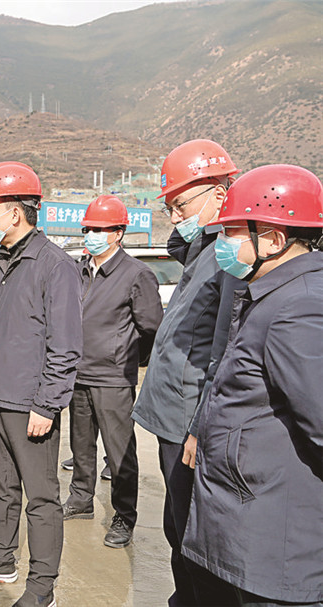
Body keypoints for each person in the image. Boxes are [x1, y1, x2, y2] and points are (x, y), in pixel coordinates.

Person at [182, 164, 323, 606]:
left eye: (232, 232)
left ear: (275, 240)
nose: (223, 243)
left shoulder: (300, 308)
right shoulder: (270, 294)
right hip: (246, 524)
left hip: (275, 545)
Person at [0, 162, 82, 607]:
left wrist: (47, 405)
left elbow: (65, 345)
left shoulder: (54, 266)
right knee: (1, 485)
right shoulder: (5, 262)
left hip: (29, 404)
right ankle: (0, 558)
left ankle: (42, 588)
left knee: (41, 498)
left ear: (14, 212)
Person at [131, 139, 241, 606]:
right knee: (176, 526)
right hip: (172, 418)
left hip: (189, 423)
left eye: (182, 205)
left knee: (194, 538)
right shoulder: (203, 247)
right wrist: (195, 218)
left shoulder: (230, 256)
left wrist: (200, 426)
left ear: (220, 194)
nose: (175, 217)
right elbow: (179, 240)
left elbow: (224, 352)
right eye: (170, 207)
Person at [62, 196, 163, 549]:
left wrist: (129, 358)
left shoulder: (136, 274)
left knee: (120, 451)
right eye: (88, 229)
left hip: (113, 378)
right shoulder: (79, 270)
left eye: (100, 229)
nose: (91, 235)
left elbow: (152, 327)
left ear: (118, 233)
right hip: (79, 373)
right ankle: (81, 499)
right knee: (80, 445)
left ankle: (124, 515)